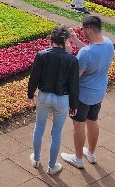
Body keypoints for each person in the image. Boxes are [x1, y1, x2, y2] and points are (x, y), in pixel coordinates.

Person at [62, 15, 114, 168]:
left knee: (78, 125)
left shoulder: (85, 54)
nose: (81, 31)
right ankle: (91, 153)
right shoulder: (108, 43)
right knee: (92, 121)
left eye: (82, 29)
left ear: (89, 30)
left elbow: (74, 75)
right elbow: (91, 54)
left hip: (82, 95)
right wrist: (76, 39)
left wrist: (69, 53)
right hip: (99, 92)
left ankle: (78, 158)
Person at [27, 26, 79, 176]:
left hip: (44, 95)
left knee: (39, 127)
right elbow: (74, 85)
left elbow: (34, 77)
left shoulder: (42, 55)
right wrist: (74, 105)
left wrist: (30, 94)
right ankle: (52, 165)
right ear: (65, 41)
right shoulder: (72, 59)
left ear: (52, 39)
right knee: (56, 132)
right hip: (62, 98)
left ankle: (36, 159)